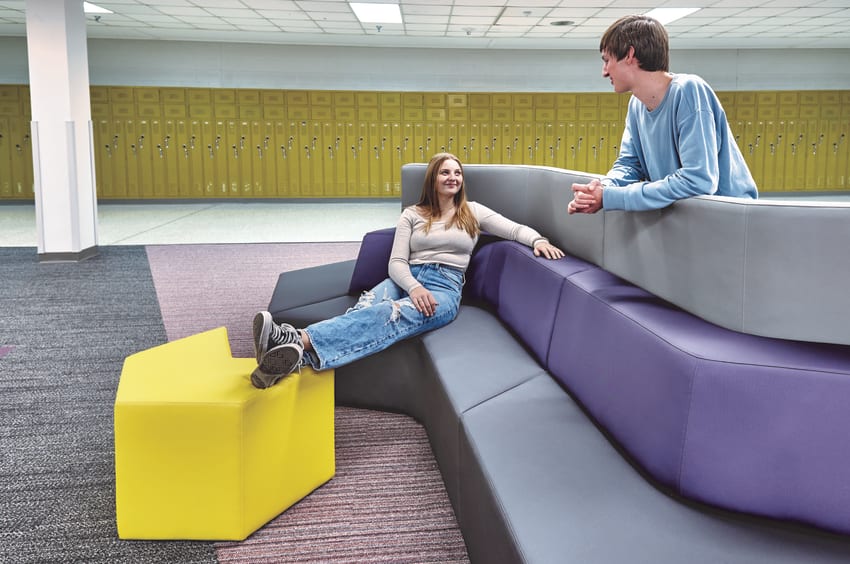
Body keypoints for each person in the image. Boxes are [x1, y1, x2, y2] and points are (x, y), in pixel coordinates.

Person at [250, 152, 565, 388]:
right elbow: (397, 262)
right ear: (433, 178)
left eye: (457, 173)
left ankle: (292, 339)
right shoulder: (413, 214)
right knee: (368, 306)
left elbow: (513, 230)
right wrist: (413, 286)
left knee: (386, 315)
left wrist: (538, 240)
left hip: (444, 289)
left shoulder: (473, 211)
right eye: (445, 172)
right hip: (405, 279)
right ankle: (288, 362)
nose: (453, 177)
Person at [568, 14, 758, 215]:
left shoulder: (688, 90)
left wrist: (612, 197)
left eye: (607, 60)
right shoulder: (636, 105)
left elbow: (698, 180)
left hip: (730, 218)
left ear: (629, 54)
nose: (604, 72)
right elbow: (630, 164)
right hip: (689, 218)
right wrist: (603, 187)